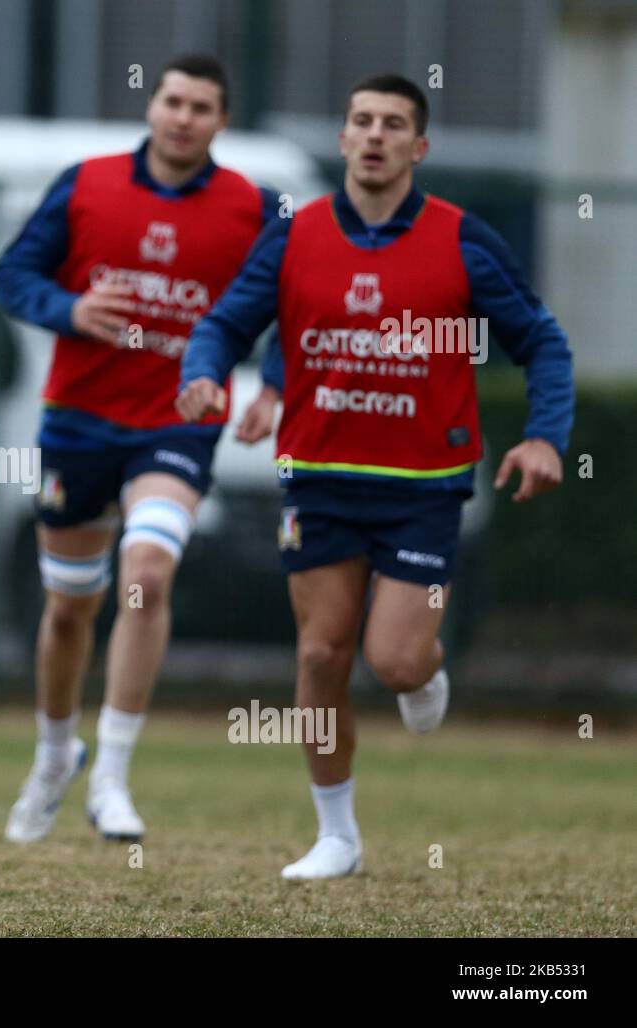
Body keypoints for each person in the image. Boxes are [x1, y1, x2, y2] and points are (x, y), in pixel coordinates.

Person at [178, 73, 573, 879]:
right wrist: (209, 371)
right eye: (361, 120)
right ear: (344, 138)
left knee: (393, 660)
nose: (374, 135)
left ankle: (424, 673)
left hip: (425, 485)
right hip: (318, 478)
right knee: (322, 656)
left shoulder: (464, 239)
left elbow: (544, 342)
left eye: (393, 124)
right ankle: (337, 836)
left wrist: (545, 438)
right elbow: (226, 320)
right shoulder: (296, 233)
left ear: (417, 147)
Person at [0, 54, 283, 843]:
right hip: (79, 424)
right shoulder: (85, 184)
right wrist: (69, 306)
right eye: (173, 101)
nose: (184, 117)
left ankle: (113, 777)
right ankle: (56, 755)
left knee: (148, 576)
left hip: (179, 422)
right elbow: (12, 274)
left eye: (203, 107)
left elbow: (299, 305)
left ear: (222, 122)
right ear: (151, 107)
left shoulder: (252, 208)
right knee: (67, 609)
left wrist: (272, 386)